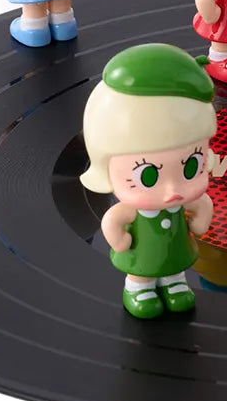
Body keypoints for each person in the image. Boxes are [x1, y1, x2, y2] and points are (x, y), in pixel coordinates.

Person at [80, 44, 218, 317]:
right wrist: (120, 241)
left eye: (192, 166)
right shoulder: (132, 210)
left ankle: (174, 284)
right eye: (148, 175)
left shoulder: (182, 199)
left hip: (176, 251)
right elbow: (112, 220)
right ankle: (138, 288)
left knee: (175, 271)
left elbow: (202, 205)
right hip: (141, 256)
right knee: (142, 273)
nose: (173, 190)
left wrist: (202, 217)